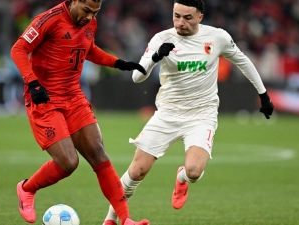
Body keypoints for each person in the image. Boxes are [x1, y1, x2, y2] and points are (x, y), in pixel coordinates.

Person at [102, 0, 274, 224]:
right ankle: (110, 220)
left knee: (193, 171)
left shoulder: (217, 37)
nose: (180, 23)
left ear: (200, 17)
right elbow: (137, 77)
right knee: (137, 171)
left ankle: (181, 177)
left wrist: (263, 95)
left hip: (202, 114)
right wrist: (156, 57)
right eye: (176, 16)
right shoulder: (162, 38)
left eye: (187, 18)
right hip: (168, 113)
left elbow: (243, 61)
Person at [10, 0, 150, 225]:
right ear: (74, 1)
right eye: (86, 10)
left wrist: (118, 63)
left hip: (74, 96)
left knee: (99, 153)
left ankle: (125, 220)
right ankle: (26, 189)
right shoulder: (48, 20)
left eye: (95, 12)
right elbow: (18, 49)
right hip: (45, 99)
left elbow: (88, 49)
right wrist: (33, 83)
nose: (90, 17)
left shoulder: (90, 23)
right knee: (68, 162)